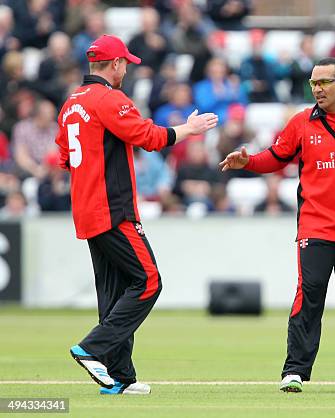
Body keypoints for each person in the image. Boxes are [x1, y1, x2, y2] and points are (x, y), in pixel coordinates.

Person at [220, 57, 335, 394]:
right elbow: (276, 156)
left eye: (324, 83)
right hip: (316, 227)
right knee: (310, 296)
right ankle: (295, 371)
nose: (317, 89)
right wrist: (249, 162)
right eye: (313, 83)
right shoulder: (301, 122)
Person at [55, 34, 218, 395]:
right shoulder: (109, 99)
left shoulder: (70, 103)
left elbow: (65, 157)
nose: (126, 68)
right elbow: (148, 137)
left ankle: (120, 377)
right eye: (124, 63)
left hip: (86, 209)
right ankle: (92, 348)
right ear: (114, 64)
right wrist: (188, 130)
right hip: (113, 209)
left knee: (114, 292)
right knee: (148, 281)